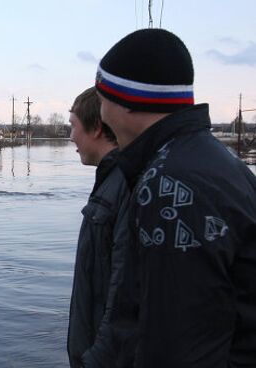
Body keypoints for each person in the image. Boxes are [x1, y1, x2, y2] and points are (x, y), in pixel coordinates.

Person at [85, 28, 256, 367]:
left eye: (102, 99)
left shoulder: (170, 186)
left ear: (126, 103)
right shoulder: (216, 163)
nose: (100, 112)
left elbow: (176, 343)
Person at [66, 87, 128, 367]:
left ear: (96, 128)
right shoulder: (114, 181)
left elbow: (122, 297)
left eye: (73, 125)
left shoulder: (122, 186)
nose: (71, 137)